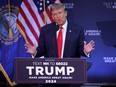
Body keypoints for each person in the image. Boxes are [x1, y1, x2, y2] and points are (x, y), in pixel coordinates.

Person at [25, 3, 95, 87]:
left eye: (60, 13)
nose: (58, 16)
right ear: (52, 16)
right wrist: (35, 52)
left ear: (65, 13)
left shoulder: (77, 29)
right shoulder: (45, 30)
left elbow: (80, 49)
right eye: (55, 14)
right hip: (51, 75)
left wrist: (85, 51)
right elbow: (42, 50)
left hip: (71, 74)